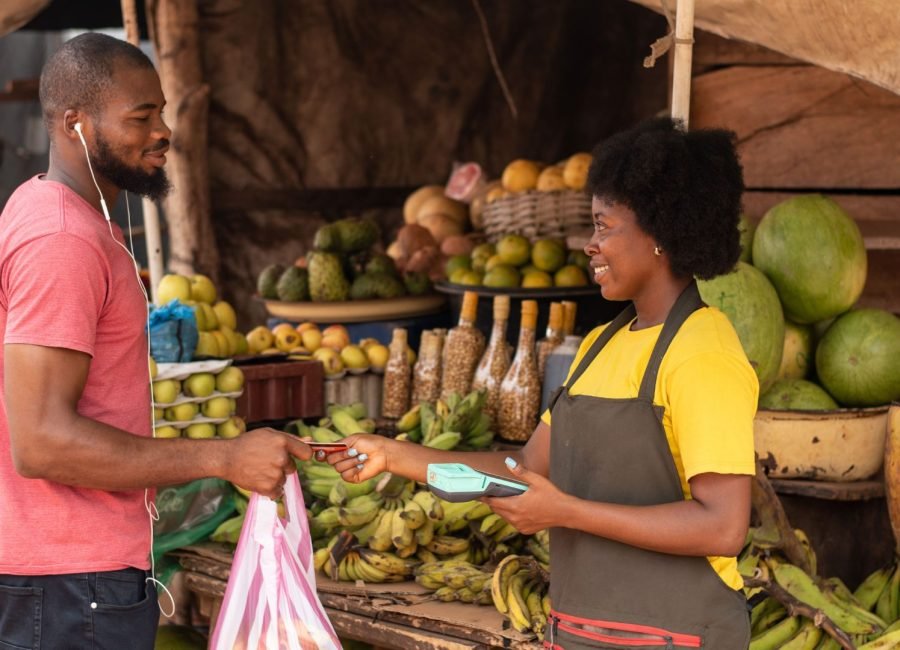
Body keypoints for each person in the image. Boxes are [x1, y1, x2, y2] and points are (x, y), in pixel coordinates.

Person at [328, 118, 757, 648]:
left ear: (661, 234)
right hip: (579, 634)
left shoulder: (704, 353)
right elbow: (523, 471)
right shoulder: (600, 344)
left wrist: (566, 512)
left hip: (678, 638)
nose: (590, 245)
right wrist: (395, 456)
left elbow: (722, 527)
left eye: (604, 226)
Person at [0, 33, 310, 650]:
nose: (164, 131)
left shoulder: (80, 222)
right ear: (76, 124)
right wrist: (222, 458)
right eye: (140, 117)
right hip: (65, 584)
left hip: (70, 578)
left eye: (162, 112)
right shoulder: (61, 238)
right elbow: (39, 442)